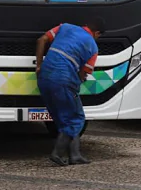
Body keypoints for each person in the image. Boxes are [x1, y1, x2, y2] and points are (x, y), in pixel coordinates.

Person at [35, 17, 106, 166]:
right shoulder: (92, 46)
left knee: (64, 120)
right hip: (63, 81)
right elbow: (84, 72)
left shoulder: (64, 27)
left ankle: (75, 155)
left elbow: (41, 40)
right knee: (77, 118)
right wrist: (79, 79)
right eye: (99, 36)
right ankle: (57, 153)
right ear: (96, 33)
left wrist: (39, 65)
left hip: (44, 78)